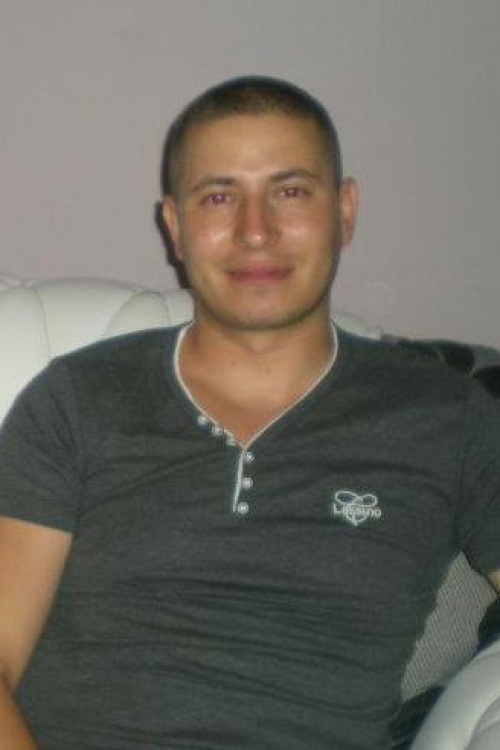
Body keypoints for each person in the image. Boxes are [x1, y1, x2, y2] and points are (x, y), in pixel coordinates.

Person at [0, 75, 499, 750]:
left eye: (290, 192)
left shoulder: (447, 416)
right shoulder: (79, 399)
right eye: (218, 197)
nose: (255, 232)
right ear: (175, 226)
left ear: (345, 211)